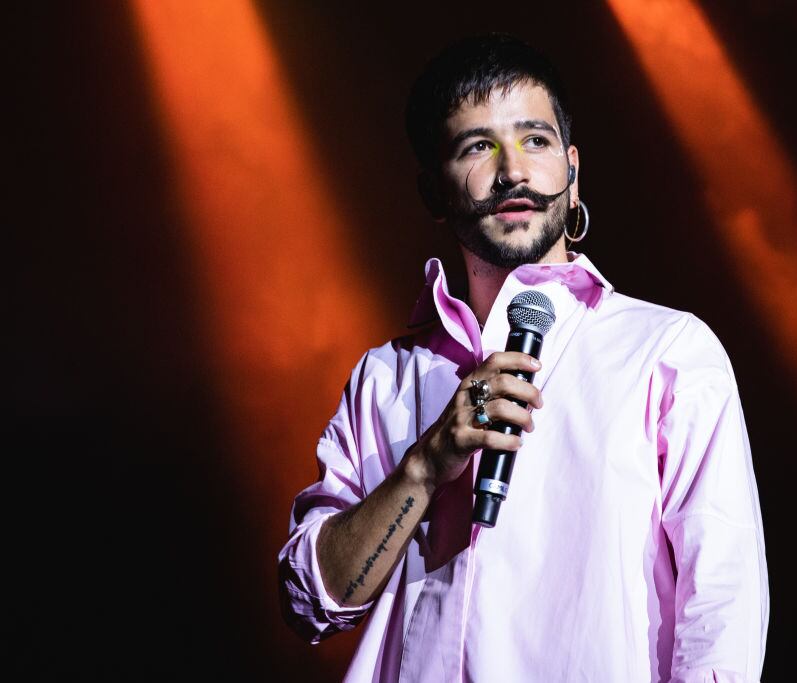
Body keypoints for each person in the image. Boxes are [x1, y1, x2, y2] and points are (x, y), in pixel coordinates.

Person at [278, 32, 769, 682]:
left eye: (534, 140)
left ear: (571, 169)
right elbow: (312, 599)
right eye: (478, 146)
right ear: (433, 192)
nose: (513, 170)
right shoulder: (385, 379)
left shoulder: (666, 352)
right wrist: (425, 466)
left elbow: (722, 614)